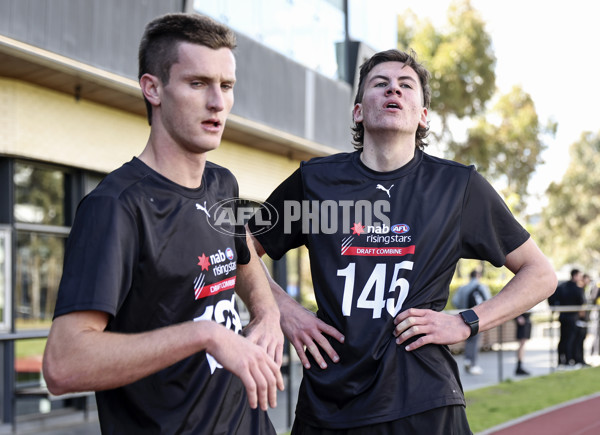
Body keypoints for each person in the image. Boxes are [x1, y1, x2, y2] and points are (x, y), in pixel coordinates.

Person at [247, 49, 556, 434]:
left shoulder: (457, 187)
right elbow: (240, 246)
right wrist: (281, 310)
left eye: (406, 85)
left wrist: (466, 321)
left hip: (423, 398)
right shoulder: (316, 181)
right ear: (358, 111)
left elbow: (540, 274)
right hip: (329, 401)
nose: (394, 88)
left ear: (423, 115)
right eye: (380, 83)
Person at [42, 13, 284, 434]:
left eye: (226, 86)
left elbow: (240, 253)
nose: (217, 102)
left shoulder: (220, 182)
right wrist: (204, 335)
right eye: (197, 83)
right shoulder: (115, 207)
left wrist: (267, 313)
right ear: (152, 88)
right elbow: (63, 365)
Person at [459, 270, 492, 375]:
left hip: (465, 315)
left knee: (468, 340)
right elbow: (488, 301)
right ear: (478, 276)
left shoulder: (463, 288)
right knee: (475, 340)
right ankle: (473, 364)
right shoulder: (481, 287)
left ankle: (467, 360)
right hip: (477, 316)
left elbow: (455, 301)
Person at [555, 269, 585, 367]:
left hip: (563, 316)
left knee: (563, 339)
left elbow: (554, 299)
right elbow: (581, 301)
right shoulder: (577, 288)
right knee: (570, 339)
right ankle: (569, 360)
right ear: (575, 275)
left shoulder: (561, 286)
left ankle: (560, 360)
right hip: (572, 317)